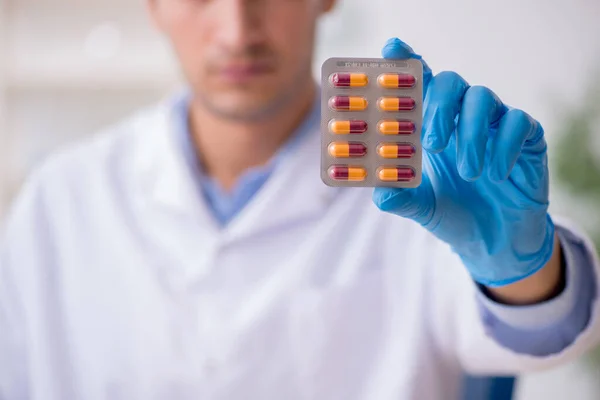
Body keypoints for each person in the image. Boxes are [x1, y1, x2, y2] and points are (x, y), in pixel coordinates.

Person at [1, 0, 599, 399]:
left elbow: (545, 332)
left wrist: (521, 265)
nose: (237, 30)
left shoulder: (419, 172)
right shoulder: (61, 202)